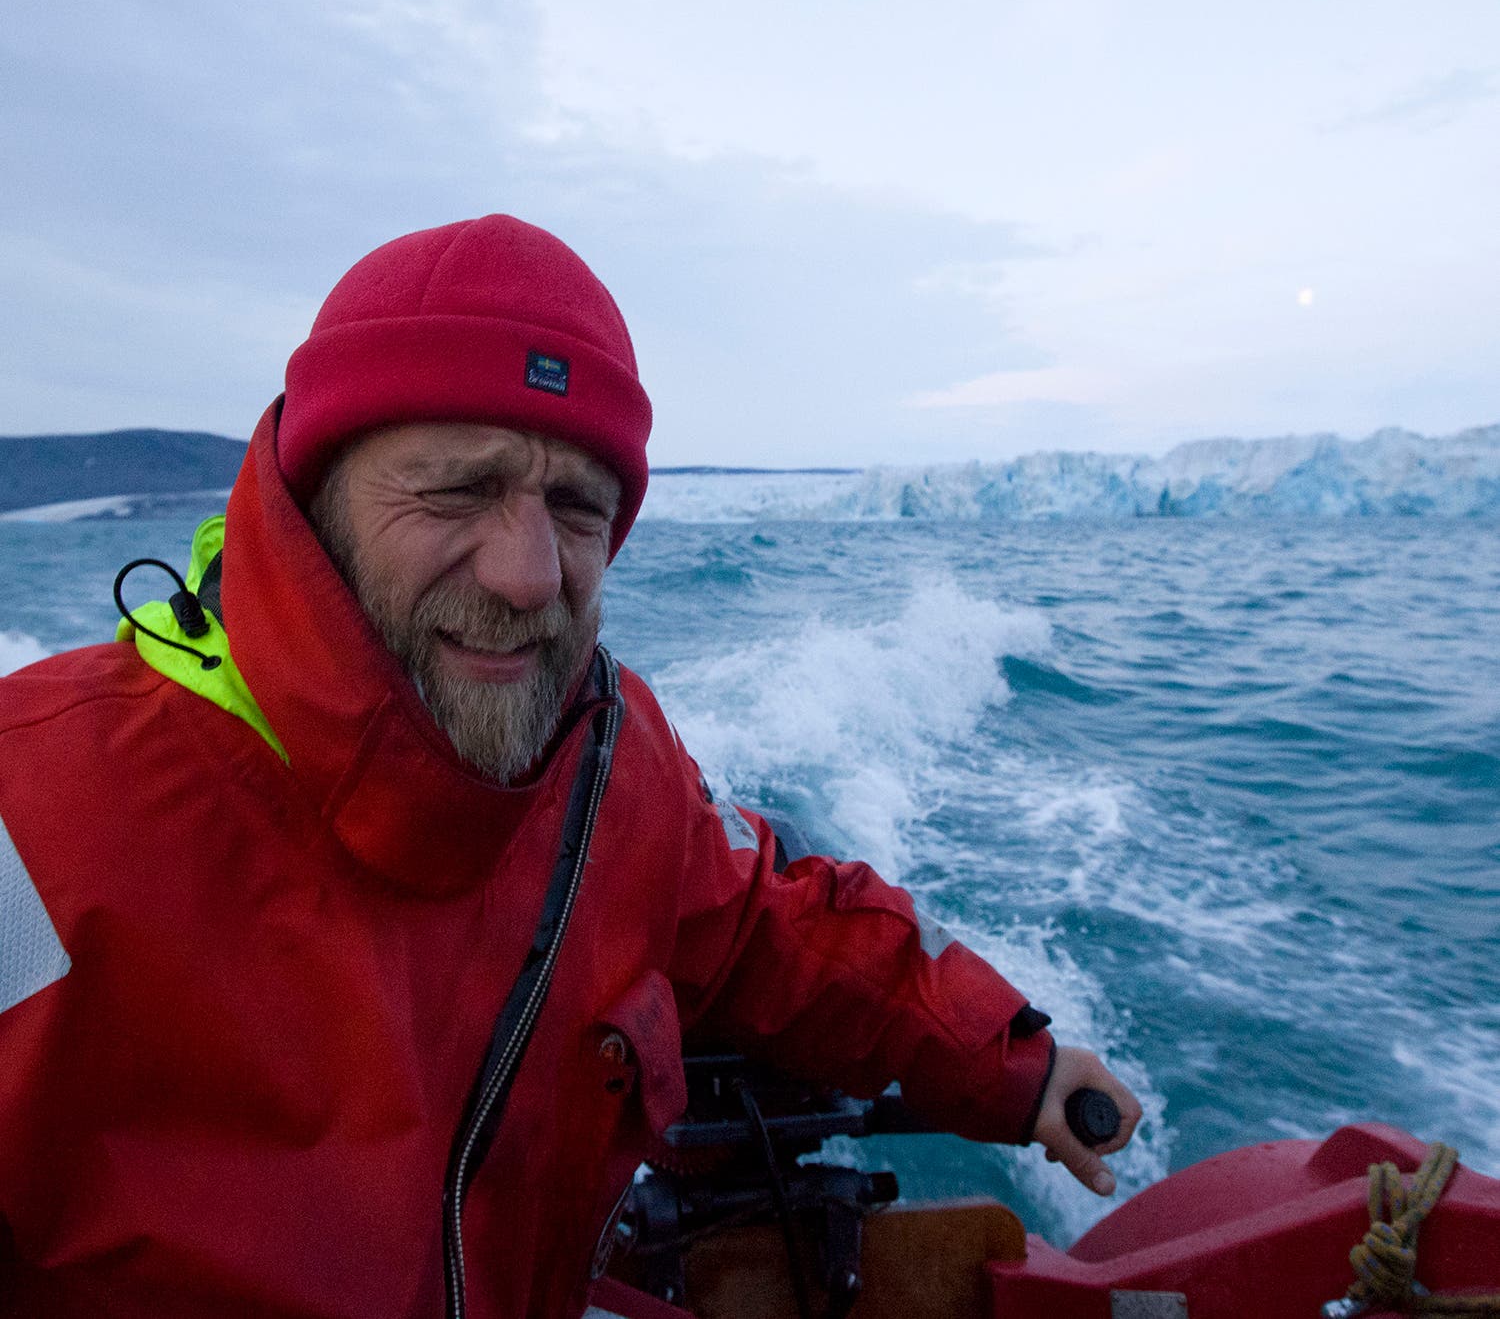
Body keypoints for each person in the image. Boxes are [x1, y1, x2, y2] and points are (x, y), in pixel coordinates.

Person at [0, 215, 1140, 1319]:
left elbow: (765, 925)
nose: (529, 574)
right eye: (457, 488)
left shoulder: (608, 766)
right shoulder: (35, 817)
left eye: (576, 506)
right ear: (316, 491)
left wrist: (1009, 1065)